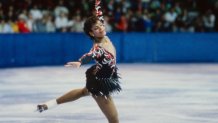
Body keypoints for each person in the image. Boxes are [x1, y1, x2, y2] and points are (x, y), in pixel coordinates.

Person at [36, 15, 122, 123]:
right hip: (100, 85)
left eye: (101, 25)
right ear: (91, 33)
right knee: (114, 119)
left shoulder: (104, 36)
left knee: (83, 92)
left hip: (103, 75)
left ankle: (49, 104)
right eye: (96, 28)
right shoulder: (98, 47)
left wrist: (97, 4)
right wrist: (80, 62)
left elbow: (99, 15)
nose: (101, 28)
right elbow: (90, 55)